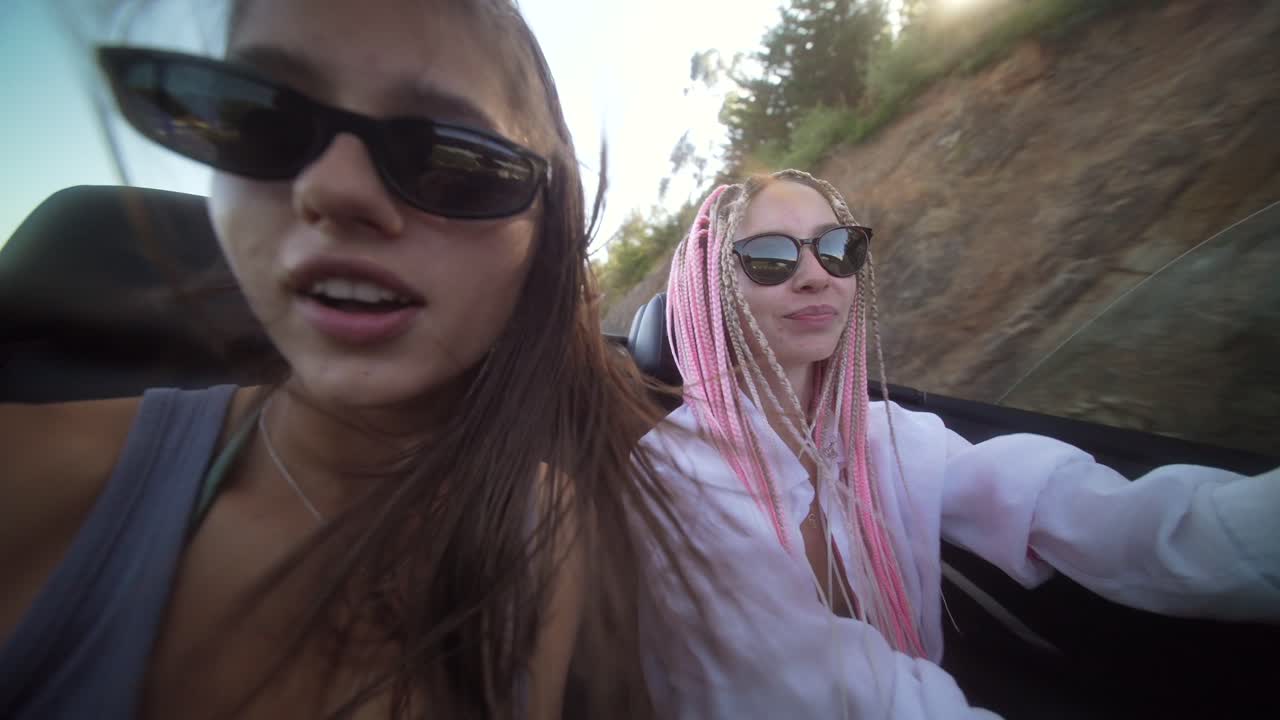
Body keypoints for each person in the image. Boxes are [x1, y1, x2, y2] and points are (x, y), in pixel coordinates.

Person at [0, 1, 713, 718]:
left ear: (545, 233)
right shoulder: (30, 474)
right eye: (260, 121)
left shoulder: (538, 520)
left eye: (447, 155)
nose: (332, 190)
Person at [638, 169, 1280, 718]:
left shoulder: (884, 436)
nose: (816, 275)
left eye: (837, 248)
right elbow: (821, 691)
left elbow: (1084, 510)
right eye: (772, 257)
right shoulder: (670, 480)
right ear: (713, 294)